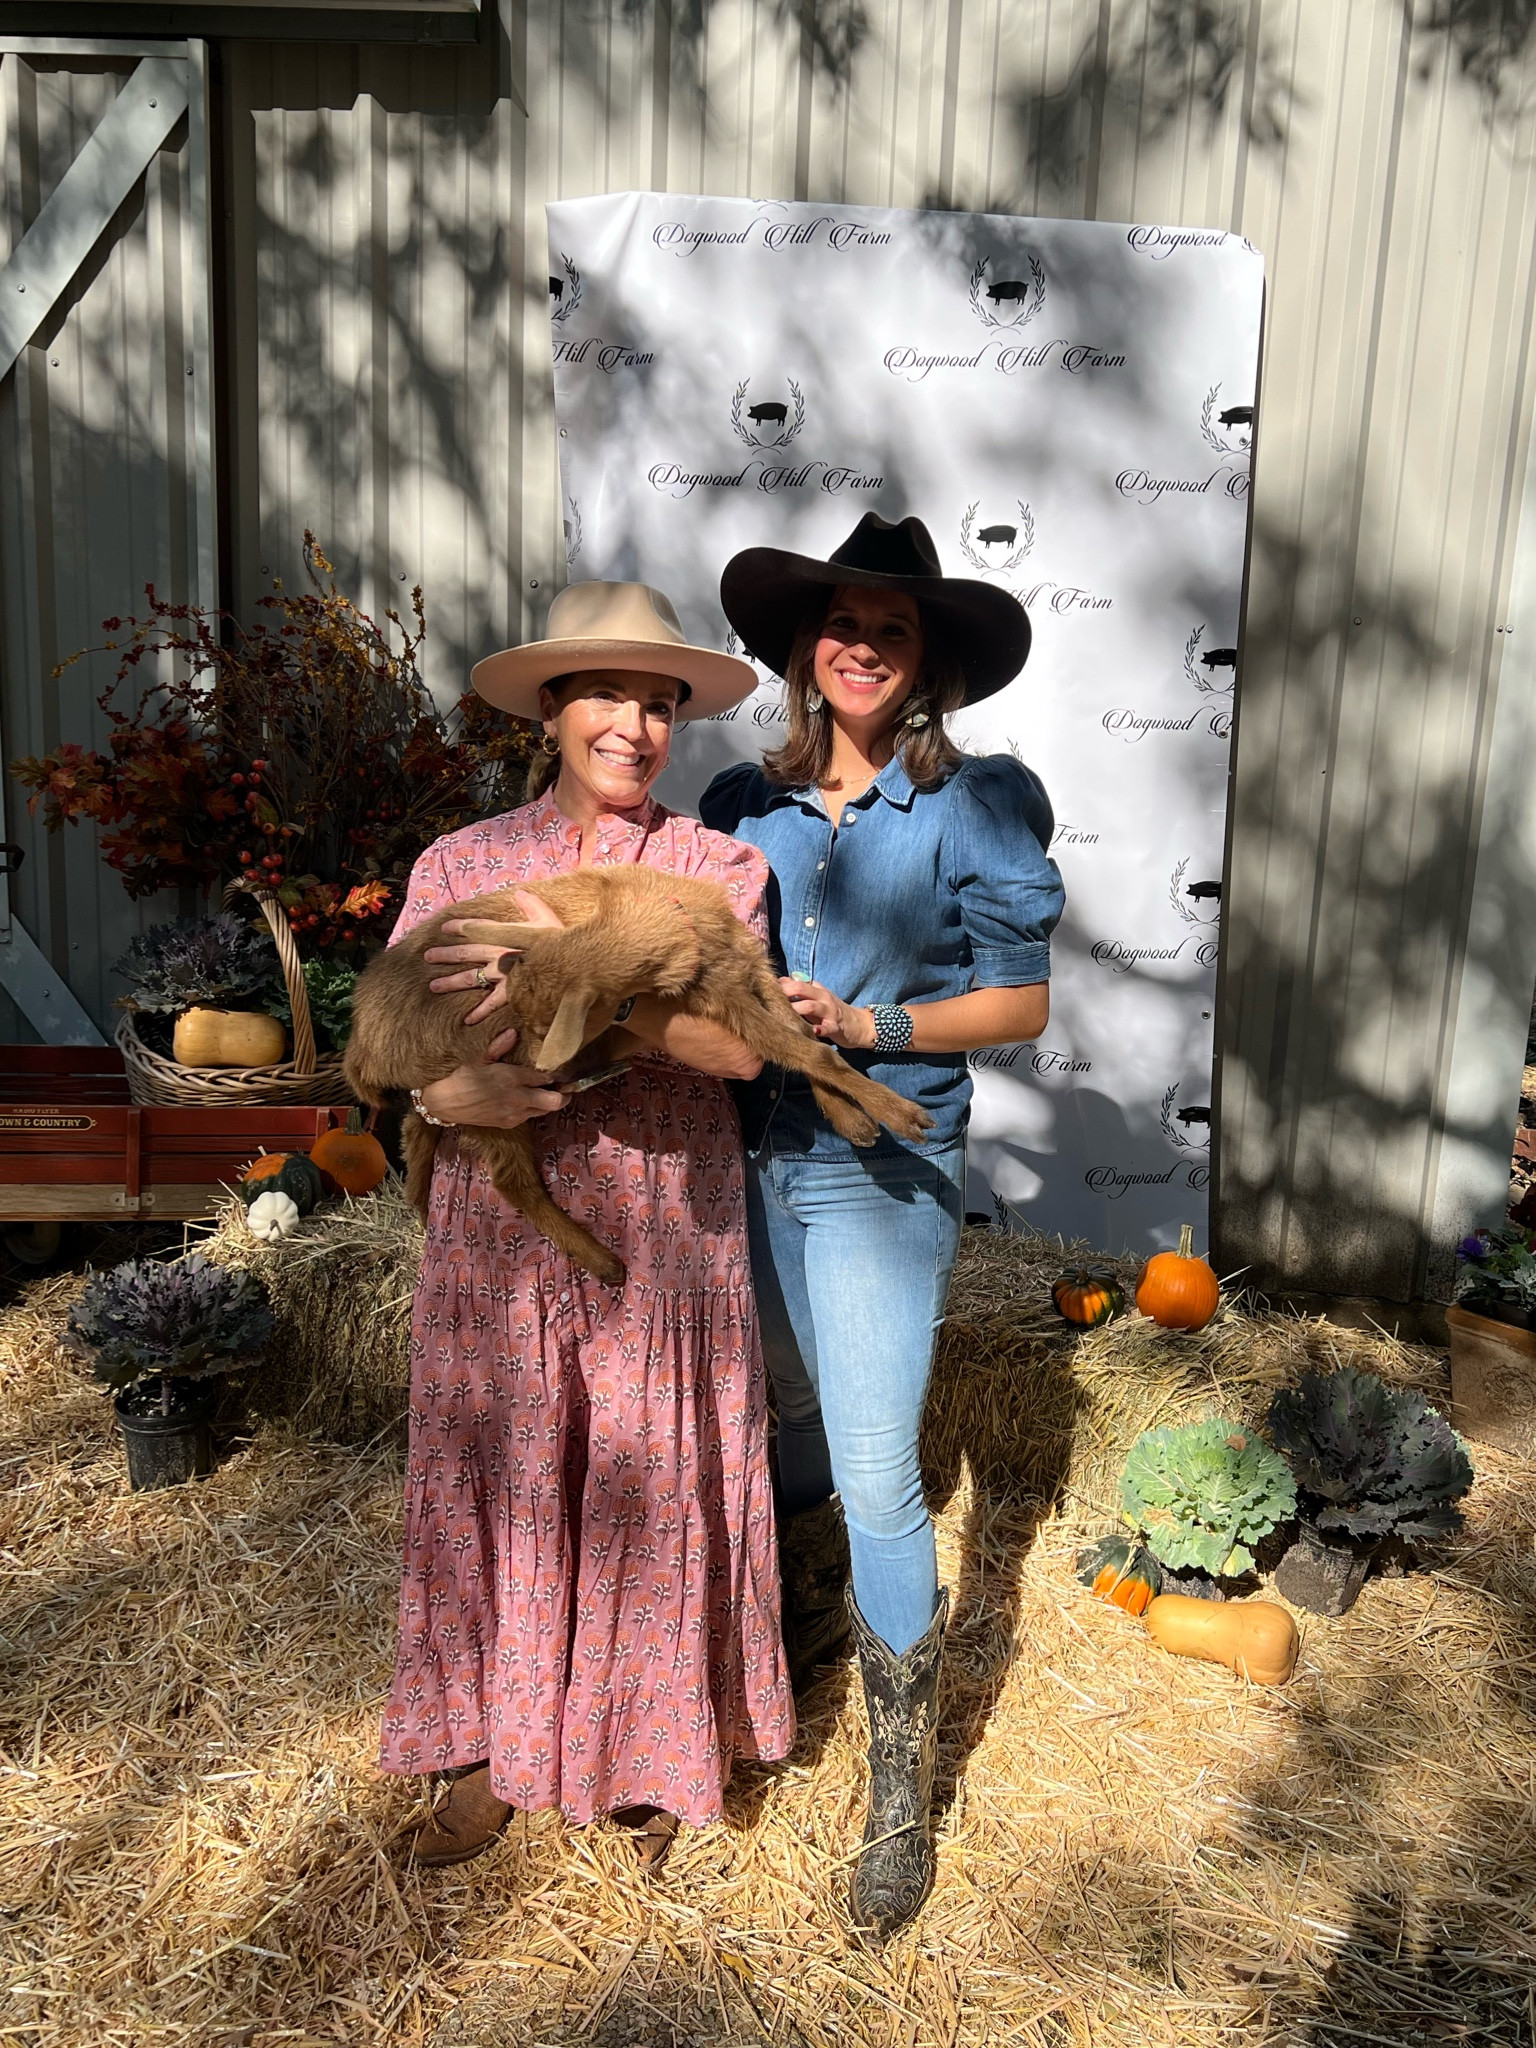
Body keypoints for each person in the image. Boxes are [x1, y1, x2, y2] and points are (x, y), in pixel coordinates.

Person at [380, 580, 794, 1874]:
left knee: (651, 1478)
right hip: (499, 1230)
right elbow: (404, 1037)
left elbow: (736, 1046)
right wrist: (443, 1087)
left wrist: (585, 994)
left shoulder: (723, 868)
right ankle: (489, 1750)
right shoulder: (462, 866)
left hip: (661, 1221)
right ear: (553, 707)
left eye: (661, 700)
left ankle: (644, 1757)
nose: (636, 721)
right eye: (609, 692)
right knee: (497, 1467)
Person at [700, 513, 1063, 1939]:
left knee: (873, 1472)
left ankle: (902, 1791)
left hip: (878, 1161)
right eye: (840, 621)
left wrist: (871, 1020)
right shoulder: (740, 802)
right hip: (744, 1152)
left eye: (892, 628)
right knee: (780, 1421)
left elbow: (1021, 1002)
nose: (859, 643)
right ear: (806, 647)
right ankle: (790, 1653)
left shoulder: (976, 803)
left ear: (926, 668)